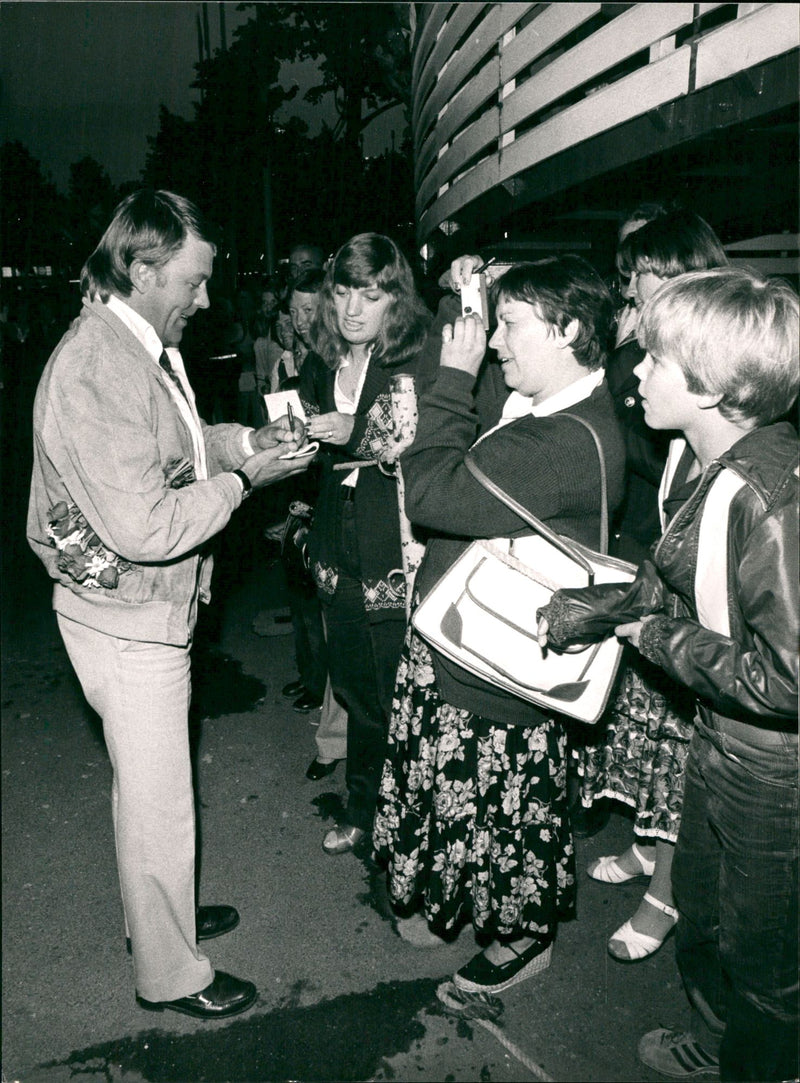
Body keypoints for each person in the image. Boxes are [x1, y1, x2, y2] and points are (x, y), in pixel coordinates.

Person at [27, 190, 313, 1021]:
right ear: (144, 268)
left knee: (147, 790)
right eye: (194, 280)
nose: (208, 298)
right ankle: (170, 972)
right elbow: (149, 523)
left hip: (132, 610)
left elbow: (177, 446)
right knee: (158, 799)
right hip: (128, 617)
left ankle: (160, 920)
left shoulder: (133, 347)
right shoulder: (97, 365)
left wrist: (244, 442)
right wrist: (245, 481)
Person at [537, 268, 798, 1082]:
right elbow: (674, 573)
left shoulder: (771, 492)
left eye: (654, 359)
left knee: (767, 962)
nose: (636, 374)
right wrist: (606, 607)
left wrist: (651, 634)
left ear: (716, 387)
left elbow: (788, 679)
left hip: (772, 768)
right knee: (709, 924)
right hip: (723, 744)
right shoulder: (713, 462)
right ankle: (723, 1044)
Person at [373, 256, 626, 993]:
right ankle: (453, 899)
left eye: (511, 327)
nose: (494, 344)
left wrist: (448, 381)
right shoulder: (545, 405)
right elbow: (481, 415)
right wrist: (474, 300)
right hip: (469, 642)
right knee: (470, 802)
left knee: (497, 807)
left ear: (570, 329)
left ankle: (521, 937)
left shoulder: (567, 440)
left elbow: (432, 491)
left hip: (496, 668)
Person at [577, 209, 730, 964]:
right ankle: (647, 847)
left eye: (650, 277)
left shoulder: (721, 403)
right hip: (661, 600)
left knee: (676, 759)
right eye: (635, 277)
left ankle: (665, 893)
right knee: (648, 749)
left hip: (701, 633)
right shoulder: (667, 395)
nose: (636, 293)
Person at [297, 232, 431, 854]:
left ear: (394, 299)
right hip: (336, 541)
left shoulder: (413, 357)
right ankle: (362, 805)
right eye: (344, 292)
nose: (353, 309)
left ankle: (409, 816)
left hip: (394, 546)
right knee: (351, 684)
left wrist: (354, 431)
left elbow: (408, 438)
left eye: (370, 295)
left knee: (399, 688)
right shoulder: (322, 360)